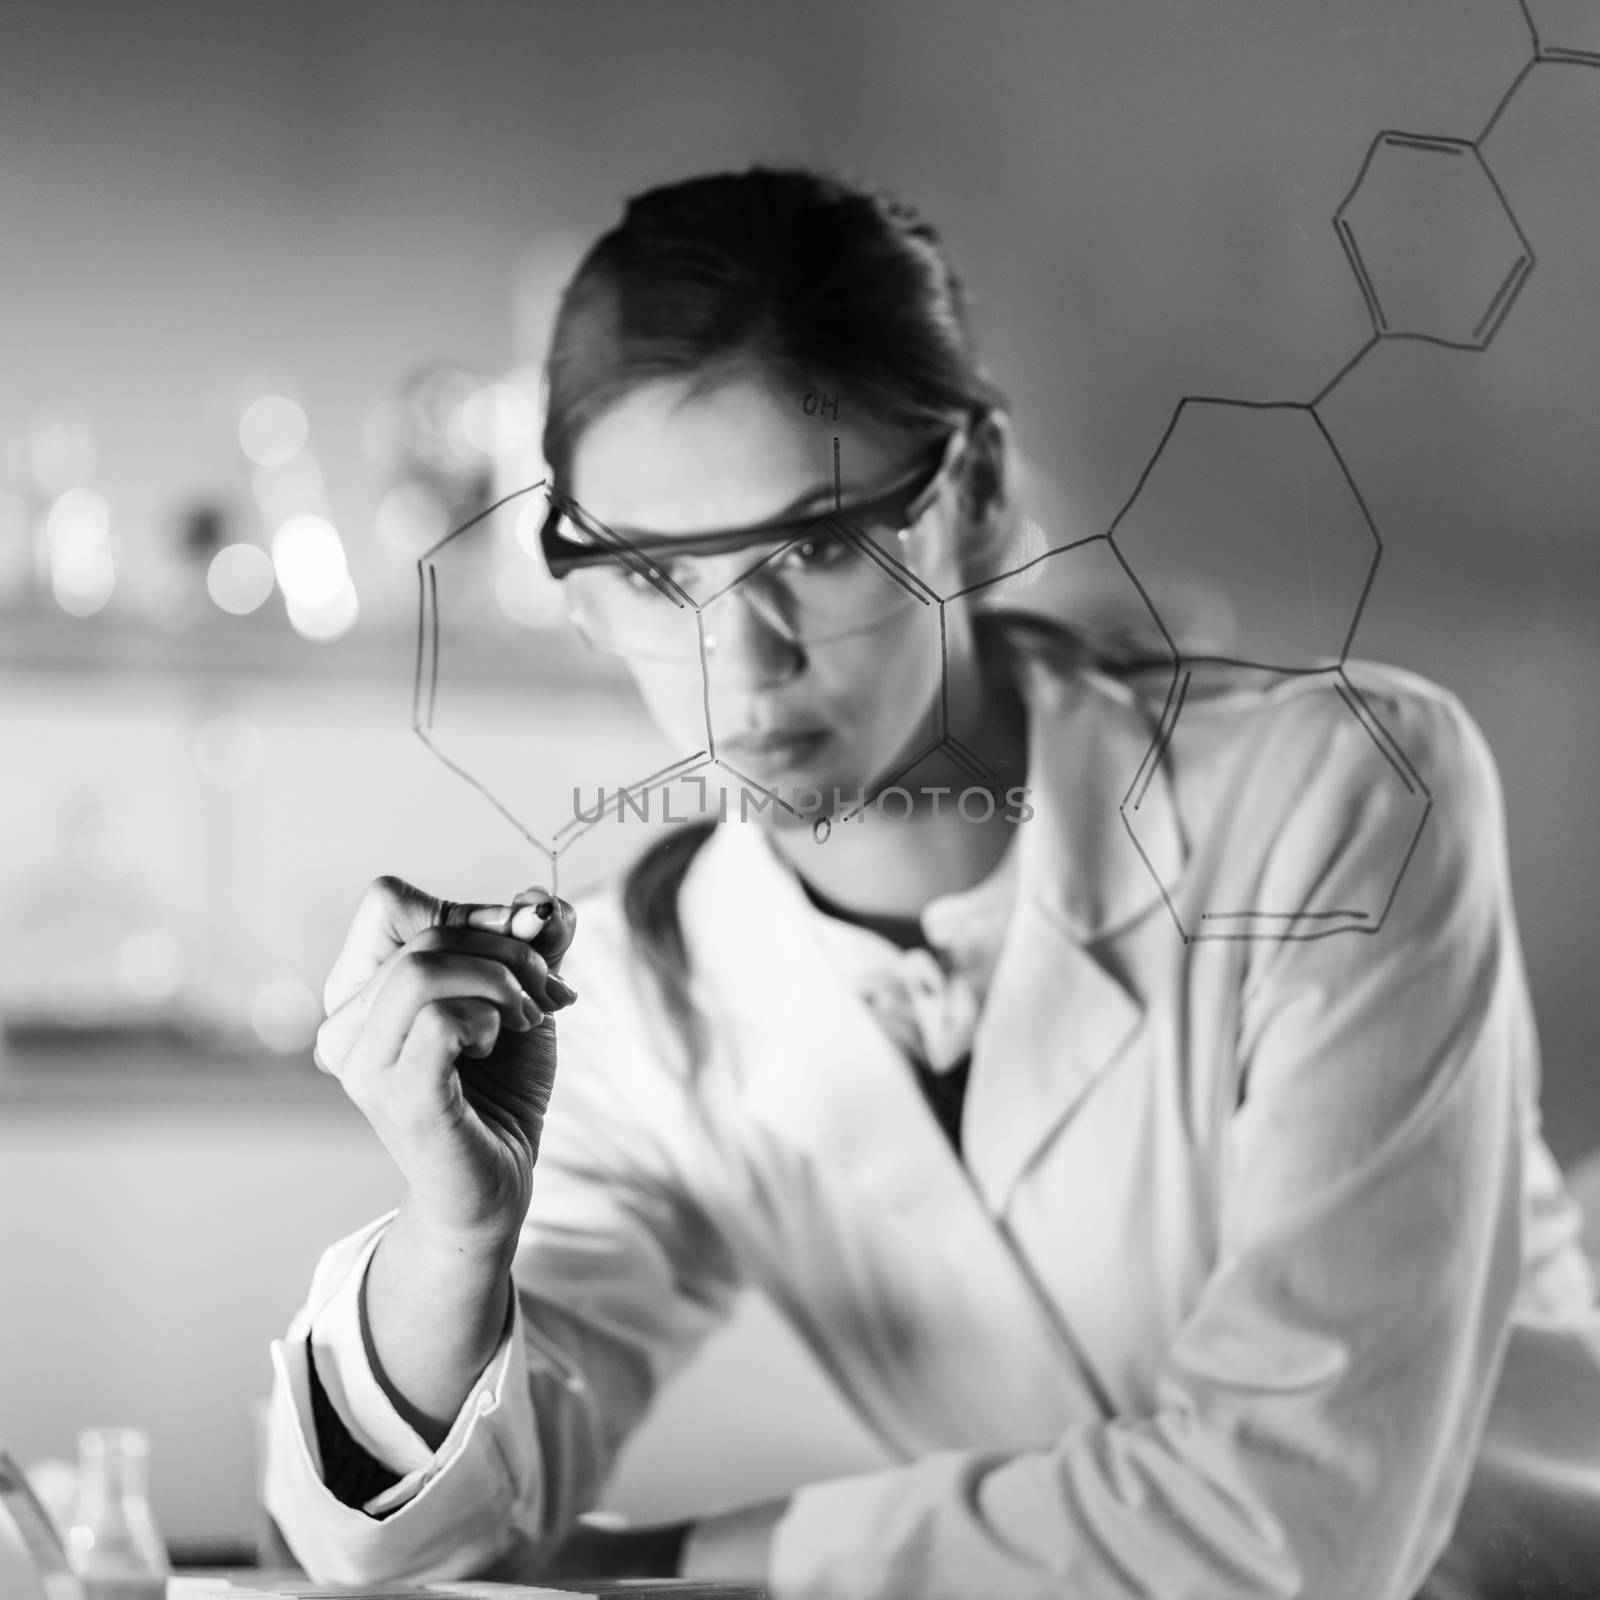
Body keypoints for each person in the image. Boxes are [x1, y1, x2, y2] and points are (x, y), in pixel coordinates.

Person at [263, 166, 1600, 1600]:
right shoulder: (655, 991)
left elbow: (1296, 1530)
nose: (746, 663)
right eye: (660, 578)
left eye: (823, 545)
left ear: (976, 501)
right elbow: (405, 1540)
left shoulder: (1338, 796)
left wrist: (680, 1565)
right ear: (581, 592)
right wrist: (454, 1234)